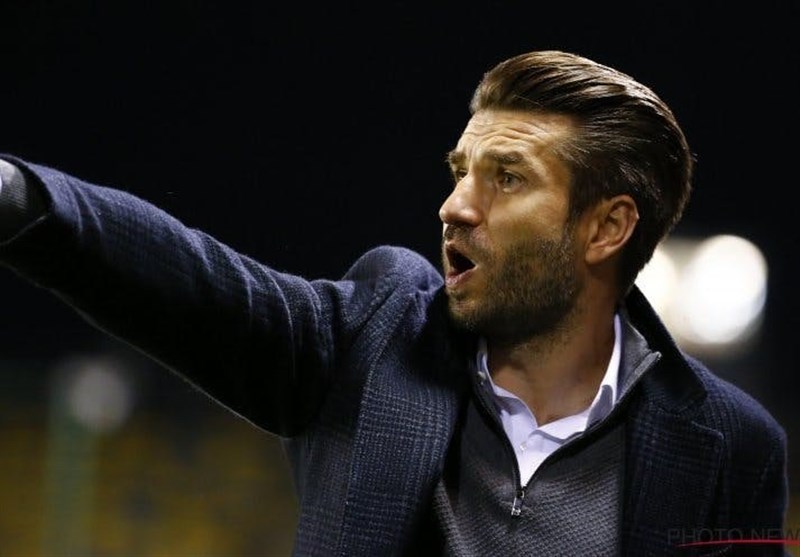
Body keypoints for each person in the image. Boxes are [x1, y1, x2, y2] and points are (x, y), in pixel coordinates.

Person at [0, 50, 789, 556]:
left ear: (607, 227)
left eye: (506, 178)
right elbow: (196, 283)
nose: (455, 206)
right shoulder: (373, 341)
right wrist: (19, 199)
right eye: (459, 171)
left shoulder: (730, 445)